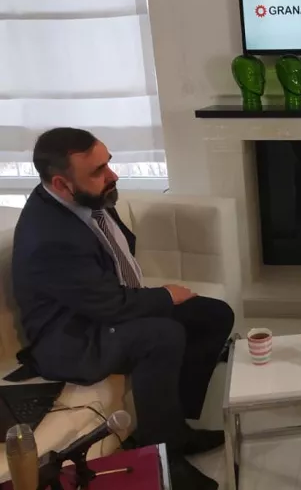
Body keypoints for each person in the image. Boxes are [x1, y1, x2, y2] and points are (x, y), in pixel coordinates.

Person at [12, 128, 233, 490]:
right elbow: (110, 305)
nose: (112, 175)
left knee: (213, 315)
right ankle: (162, 455)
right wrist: (164, 296)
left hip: (96, 311)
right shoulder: (50, 237)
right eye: (98, 171)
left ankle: (176, 427)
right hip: (71, 338)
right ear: (61, 184)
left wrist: (161, 297)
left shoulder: (87, 198)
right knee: (160, 335)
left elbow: (112, 277)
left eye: (109, 163)